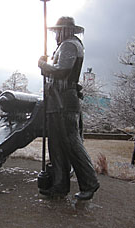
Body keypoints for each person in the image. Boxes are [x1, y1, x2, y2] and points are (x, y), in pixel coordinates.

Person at [38, 16, 99, 200]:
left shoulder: (70, 45)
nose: (56, 34)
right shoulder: (65, 46)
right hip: (56, 102)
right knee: (56, 147)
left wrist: (43, 65)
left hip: (64, 101)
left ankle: (89, 183)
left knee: (71, 144)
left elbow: (62, 71)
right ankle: (59, 185)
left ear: (66, 30)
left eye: (58, 31)